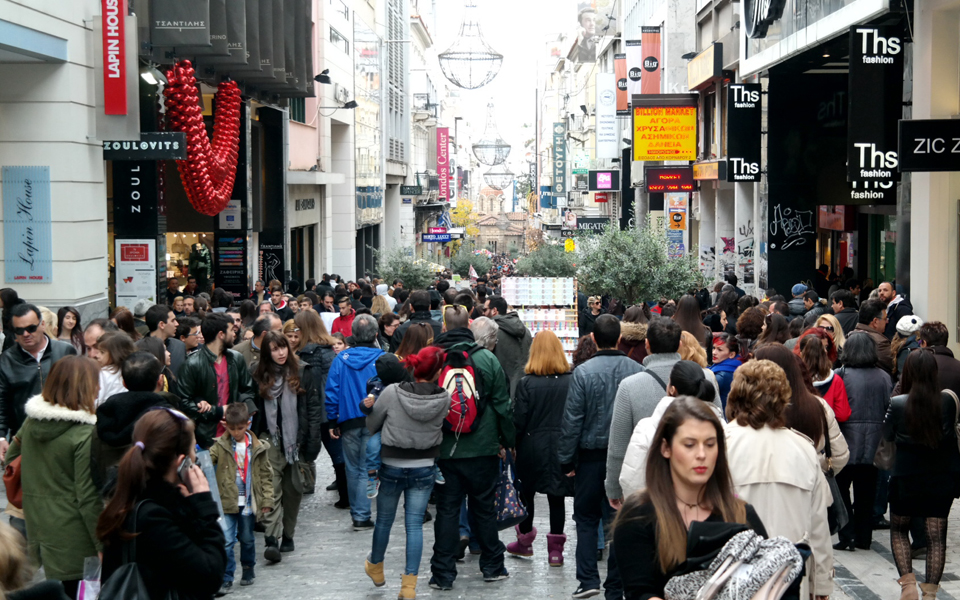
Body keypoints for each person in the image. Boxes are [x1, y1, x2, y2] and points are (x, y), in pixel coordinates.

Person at [613, 396, 768, 600]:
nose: (701, 454)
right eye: (689, 444)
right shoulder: (639, 514)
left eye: (710, 444)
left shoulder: (741, 514)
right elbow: (640, 591)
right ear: (666, 448)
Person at [724, 359, 834, 600]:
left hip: (732, 575)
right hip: (789, 579)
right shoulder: (803, 448)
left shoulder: (718, 444)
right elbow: (818, 526)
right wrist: (822, 584)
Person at [97, 408, 226, 600]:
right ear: (182, 462)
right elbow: (210, 575)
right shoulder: (154, 517)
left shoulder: (126, 497)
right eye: (194, 451)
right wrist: (204, 506)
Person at [428, 305, 514, 591]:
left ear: (444, 327)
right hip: (483, 447)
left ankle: (442, 573)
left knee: (448, 510)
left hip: (445, 448)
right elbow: (503, 405)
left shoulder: (434, 359)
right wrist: (507, 441)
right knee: (484, 509)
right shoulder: (487, 359)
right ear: (470, 325)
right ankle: (492, 566)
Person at [558, 314, 644, 599]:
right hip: (623, 457)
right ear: (619, 338)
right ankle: (615, 583)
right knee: (618, 520)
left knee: (585, 518)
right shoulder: (635, 369)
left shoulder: (582, 373)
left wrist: (566, 460)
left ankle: (587, 579)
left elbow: (572, 421)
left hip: (590, 456)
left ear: (593, 339)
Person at [3, 357, 101, 598]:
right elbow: (87, 497)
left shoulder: (31, 422)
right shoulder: (85, 434)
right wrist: (102, 545)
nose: (99, 388)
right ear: (84, 387)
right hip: (75, 537)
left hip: (38, 525)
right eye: (95, 383)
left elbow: (11, 460)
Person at [363, 347, 450, 600]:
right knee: (414, 526)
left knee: (384, 521)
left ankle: (376, 566)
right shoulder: (443, 397)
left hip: (391, 463)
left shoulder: (391, 392)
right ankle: (409, 586)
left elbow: (372, 424)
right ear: (438, 372)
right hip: (424, 465)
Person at [606, 319, 720, 506]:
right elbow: (719, 421)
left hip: (650, 486)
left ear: (647, 344)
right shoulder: (705, 376)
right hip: (701, 483)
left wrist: (613, 488)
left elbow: (618, 445)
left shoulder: (629, 386)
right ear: (680, 344)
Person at [883, 350, 960, 600]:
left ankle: (908, 587)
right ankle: (929, 595)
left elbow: (887, 438)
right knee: (936, 537)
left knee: (899, 530)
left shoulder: (897, 404)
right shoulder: (948, 401)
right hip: (941, 477)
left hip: (905, 475)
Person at [249, 331, 321, 562]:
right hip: (269, 438)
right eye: (274, 349)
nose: (280, 353)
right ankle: (272, 538)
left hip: (295, 441)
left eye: (283, 348)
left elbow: (312, 409)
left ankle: (288, 534)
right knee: (270, 489)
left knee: (294, 491)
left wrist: (312, 442)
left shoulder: (302, 371)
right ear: (266, 353)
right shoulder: (258, 373)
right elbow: (248, 398)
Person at [508, 330, 574, 566]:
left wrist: (512, 445)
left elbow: (519, 419)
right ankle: (555, 551)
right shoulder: (570, 380)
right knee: (557, 496)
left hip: (531, 445)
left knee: (527, 494)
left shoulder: (527, 383)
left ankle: (525, 541)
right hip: (560, 445)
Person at [617, 361, 723, 497]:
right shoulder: (722, 428)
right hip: (711, 510)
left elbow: (632, 481)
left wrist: (644, 511)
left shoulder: (647, 428)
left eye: (709, 444)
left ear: (672, 389)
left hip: (658, 510)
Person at [831, 332, 893, 552]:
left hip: (846, 443)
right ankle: (864, 537)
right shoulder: (884, 377)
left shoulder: (840, 375)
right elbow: (889, 407)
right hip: (874, 444)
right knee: (866, 492)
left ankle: (847, 534)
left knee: (841, 490)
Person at [326, 314, 385, 529]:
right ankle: (364, 513)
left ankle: (359, 513)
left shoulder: (341, 360)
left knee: (354, 468)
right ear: (376, 334)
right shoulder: (382, 358)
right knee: (372, 466)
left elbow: (332, 392)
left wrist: (333, 421)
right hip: (376, 421)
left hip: (349, 420)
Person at [0, 303, 79, 463]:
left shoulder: (65, 351)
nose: (26, 334)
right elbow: (1, 401)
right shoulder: (7, 360)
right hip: (25, 439)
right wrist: (1, 437)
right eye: (19, 330)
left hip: (64, 435)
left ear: (42, 325)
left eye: (31, 328)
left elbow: (78, 391)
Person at [210, 403, 273, 593]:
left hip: (247, 502)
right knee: (227, 540)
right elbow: (207, 460)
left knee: (246, 538)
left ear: (248, 424)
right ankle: (227, 576)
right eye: (231, 428)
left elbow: (266, 475)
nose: (236, 432)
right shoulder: (220, 445)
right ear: (225, 425)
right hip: (227, 501)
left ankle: (248, 568)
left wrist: (267, 500)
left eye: (240, 428)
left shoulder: (258, 448)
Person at [92, 351, 174, 491]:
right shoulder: (167, 419)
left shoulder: (104, 417)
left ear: (123, 382)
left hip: (113, 498)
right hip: (154, 502)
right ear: (160, 381)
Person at [293, 310, 341, 500]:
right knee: (336, 451)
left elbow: (310, 384)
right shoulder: (327, 349)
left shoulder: (310, 352)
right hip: (327, 406)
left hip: (317, 408)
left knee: (322, 448)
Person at [796, 328, 852, 422]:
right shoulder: (835, 380)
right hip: (826, 430)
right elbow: (843, 414)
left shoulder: (793, 378)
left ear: (801, 353)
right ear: (824, 353)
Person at [485, 296, 532, 399]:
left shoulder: (492, 333)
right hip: (525, 390)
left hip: (501, 393)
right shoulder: (526, 331)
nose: (483, 313)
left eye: (485, 309)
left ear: (494, 311)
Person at [94, 331, 135, 406]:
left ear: (115, 354)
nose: (97, 355)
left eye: (102, 352)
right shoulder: (131, 371)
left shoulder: (103, 374)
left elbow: (97, 400)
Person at [145, 304, 185, 380]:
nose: (177, 324)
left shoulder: (179, 347)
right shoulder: (139, 348)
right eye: (173, 320)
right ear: (162, 325)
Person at [854, 299, 893, 374]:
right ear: (875, 322)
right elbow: (893, 366)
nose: (887, 321)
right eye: (885, 319)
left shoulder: (849, 336)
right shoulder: (880, 343)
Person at [710, 333, 741, 410]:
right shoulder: (735, 366)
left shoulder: (723, 375)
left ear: (731, 354)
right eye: (714, 348)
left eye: (719, 350)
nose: (714, 352)